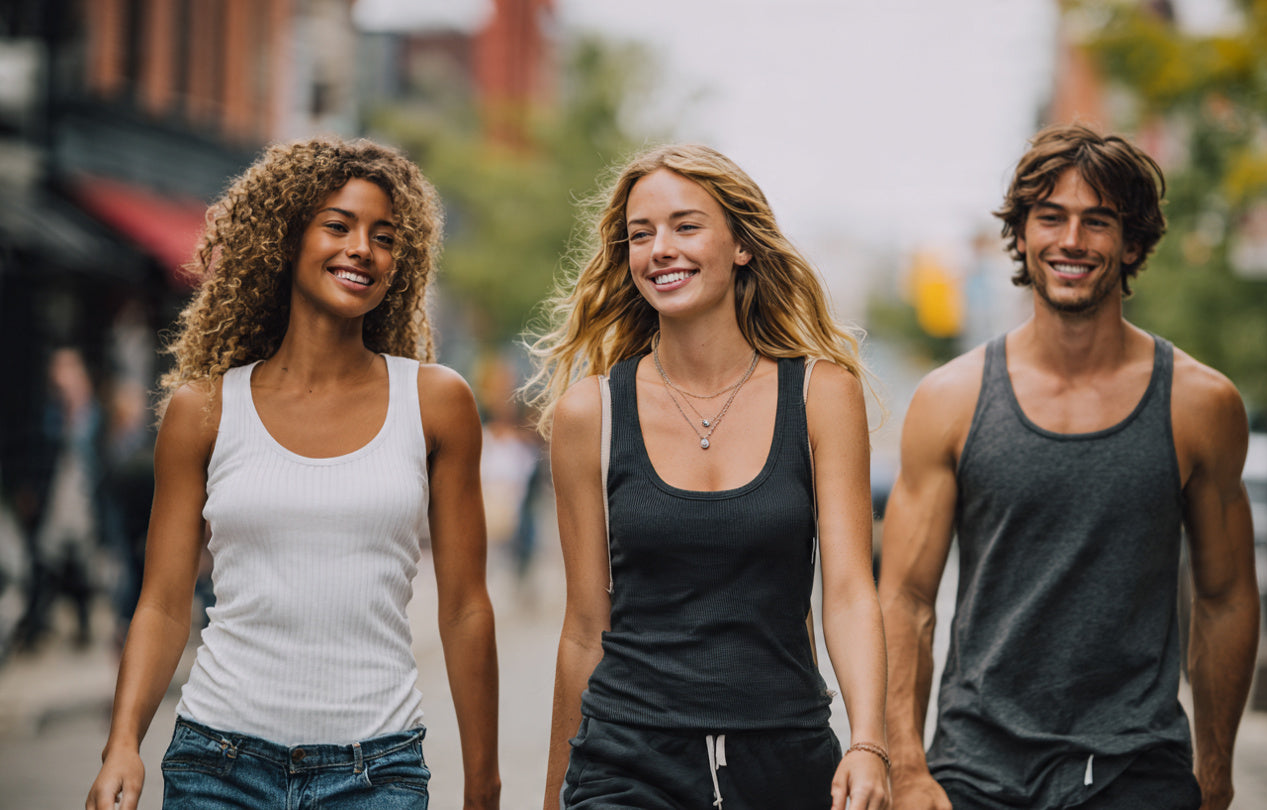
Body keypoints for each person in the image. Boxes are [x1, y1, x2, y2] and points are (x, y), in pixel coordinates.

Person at [85, 137, 501, 810]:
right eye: (338, 225)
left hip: (376, 772)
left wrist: (485, 785)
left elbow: (465, 608)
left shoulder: (437, 402)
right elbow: (162, 603)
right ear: (286, 239)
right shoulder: (206, 410)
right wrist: (123, 742)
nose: (362, 248)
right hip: (218, 766)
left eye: (385, 236)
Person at [879, 123, 1259, 810]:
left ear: (1134, 241)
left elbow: (1226, 596)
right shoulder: (951, 401)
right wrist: (907, 767)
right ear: (1021, 235)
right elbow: (906, 600)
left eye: (1098, 221)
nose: (1072, 241)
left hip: (1134, 767)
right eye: (1050, 217)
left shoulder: (1200, 405)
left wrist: (1216, 772)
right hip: (976, 770)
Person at [528, 143, 890, 810]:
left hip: (784, 756)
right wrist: (555, 798)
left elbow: (847, 590)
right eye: (642, 235)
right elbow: (584, 626)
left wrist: (869, 741)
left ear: (741, 245)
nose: (661, 248)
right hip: (627, 761)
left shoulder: (820, 395)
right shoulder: (592, 413)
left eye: (686, 226)